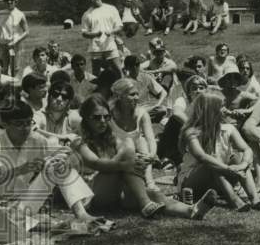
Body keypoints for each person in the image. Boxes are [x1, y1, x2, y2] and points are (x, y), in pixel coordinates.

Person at [0, 100, 100, 239]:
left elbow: (63, 152)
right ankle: (43, 227)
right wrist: (19, 170)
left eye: (28, 123)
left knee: (58, 165)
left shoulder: (35, 140)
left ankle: (82, 214)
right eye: (19, 124)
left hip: (23, 204)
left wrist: (57, 160)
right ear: (6, 124)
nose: (25, 128)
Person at [76, 94, 216, 220]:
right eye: (96, 117)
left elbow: (126, 152)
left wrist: (137, 160)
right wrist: (126, 165)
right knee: (128, 153)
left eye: (106, 117)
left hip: (118, 192)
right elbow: (96, 163)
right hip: (94, 194)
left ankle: (190, 210)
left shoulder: (111, 137)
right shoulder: (79, 141)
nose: (102, 121)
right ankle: (144, 203)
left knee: (152, 193)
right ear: (85, 118)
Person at [179, 90, 260, 211]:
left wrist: (242, 165)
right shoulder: (192, 132)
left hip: (221, 178)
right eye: (222, 106)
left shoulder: (228, 129)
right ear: (210, 110)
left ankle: (255, 199)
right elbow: (202, 157)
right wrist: (228, 169)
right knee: (213, 162)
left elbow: (247, 149)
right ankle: (234, 201)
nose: (225, 109)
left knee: (239, 158)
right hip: (193, 180)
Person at [110, 78, 160, 190]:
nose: (136, 97)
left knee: (142, 142)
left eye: (137, 94)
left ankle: (149, 181)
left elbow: (151, 138)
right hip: (116, 152)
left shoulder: (142, 114)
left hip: (137, 152)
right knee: (129, 144)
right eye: (132, 94)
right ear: (119, 96)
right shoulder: (110, 114)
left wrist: (152, 154)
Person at [81, 0, 124, 76]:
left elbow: (119, 26)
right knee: (96, 75)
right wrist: (95, 34)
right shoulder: (87, 14)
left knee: (118, 71)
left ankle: (123, 89)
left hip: (110, 46)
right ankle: (99, 90)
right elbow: (84, 33)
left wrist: (111, 32)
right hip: (95, 49)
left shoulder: (111, 9)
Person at [123, 54, 169, 124]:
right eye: (132, 65)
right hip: (134, 109)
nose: (135, 67)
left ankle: (143, 119)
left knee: (162, 109)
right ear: (127, 68)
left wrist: (158, 104)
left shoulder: (145, 77)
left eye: (137, 64)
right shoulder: (124, 82)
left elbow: (163, 92)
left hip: (147, 107)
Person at [0, 0, 29, 76]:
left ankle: (14, 87)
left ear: (16, 1)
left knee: (15, 69)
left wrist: (16, 40)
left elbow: (27, 32)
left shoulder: (20, 14)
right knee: (2, 68)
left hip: (14, 45)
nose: (9, 2)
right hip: (2, 44)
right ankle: (4, 88)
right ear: (4, 1)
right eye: (7, 0)